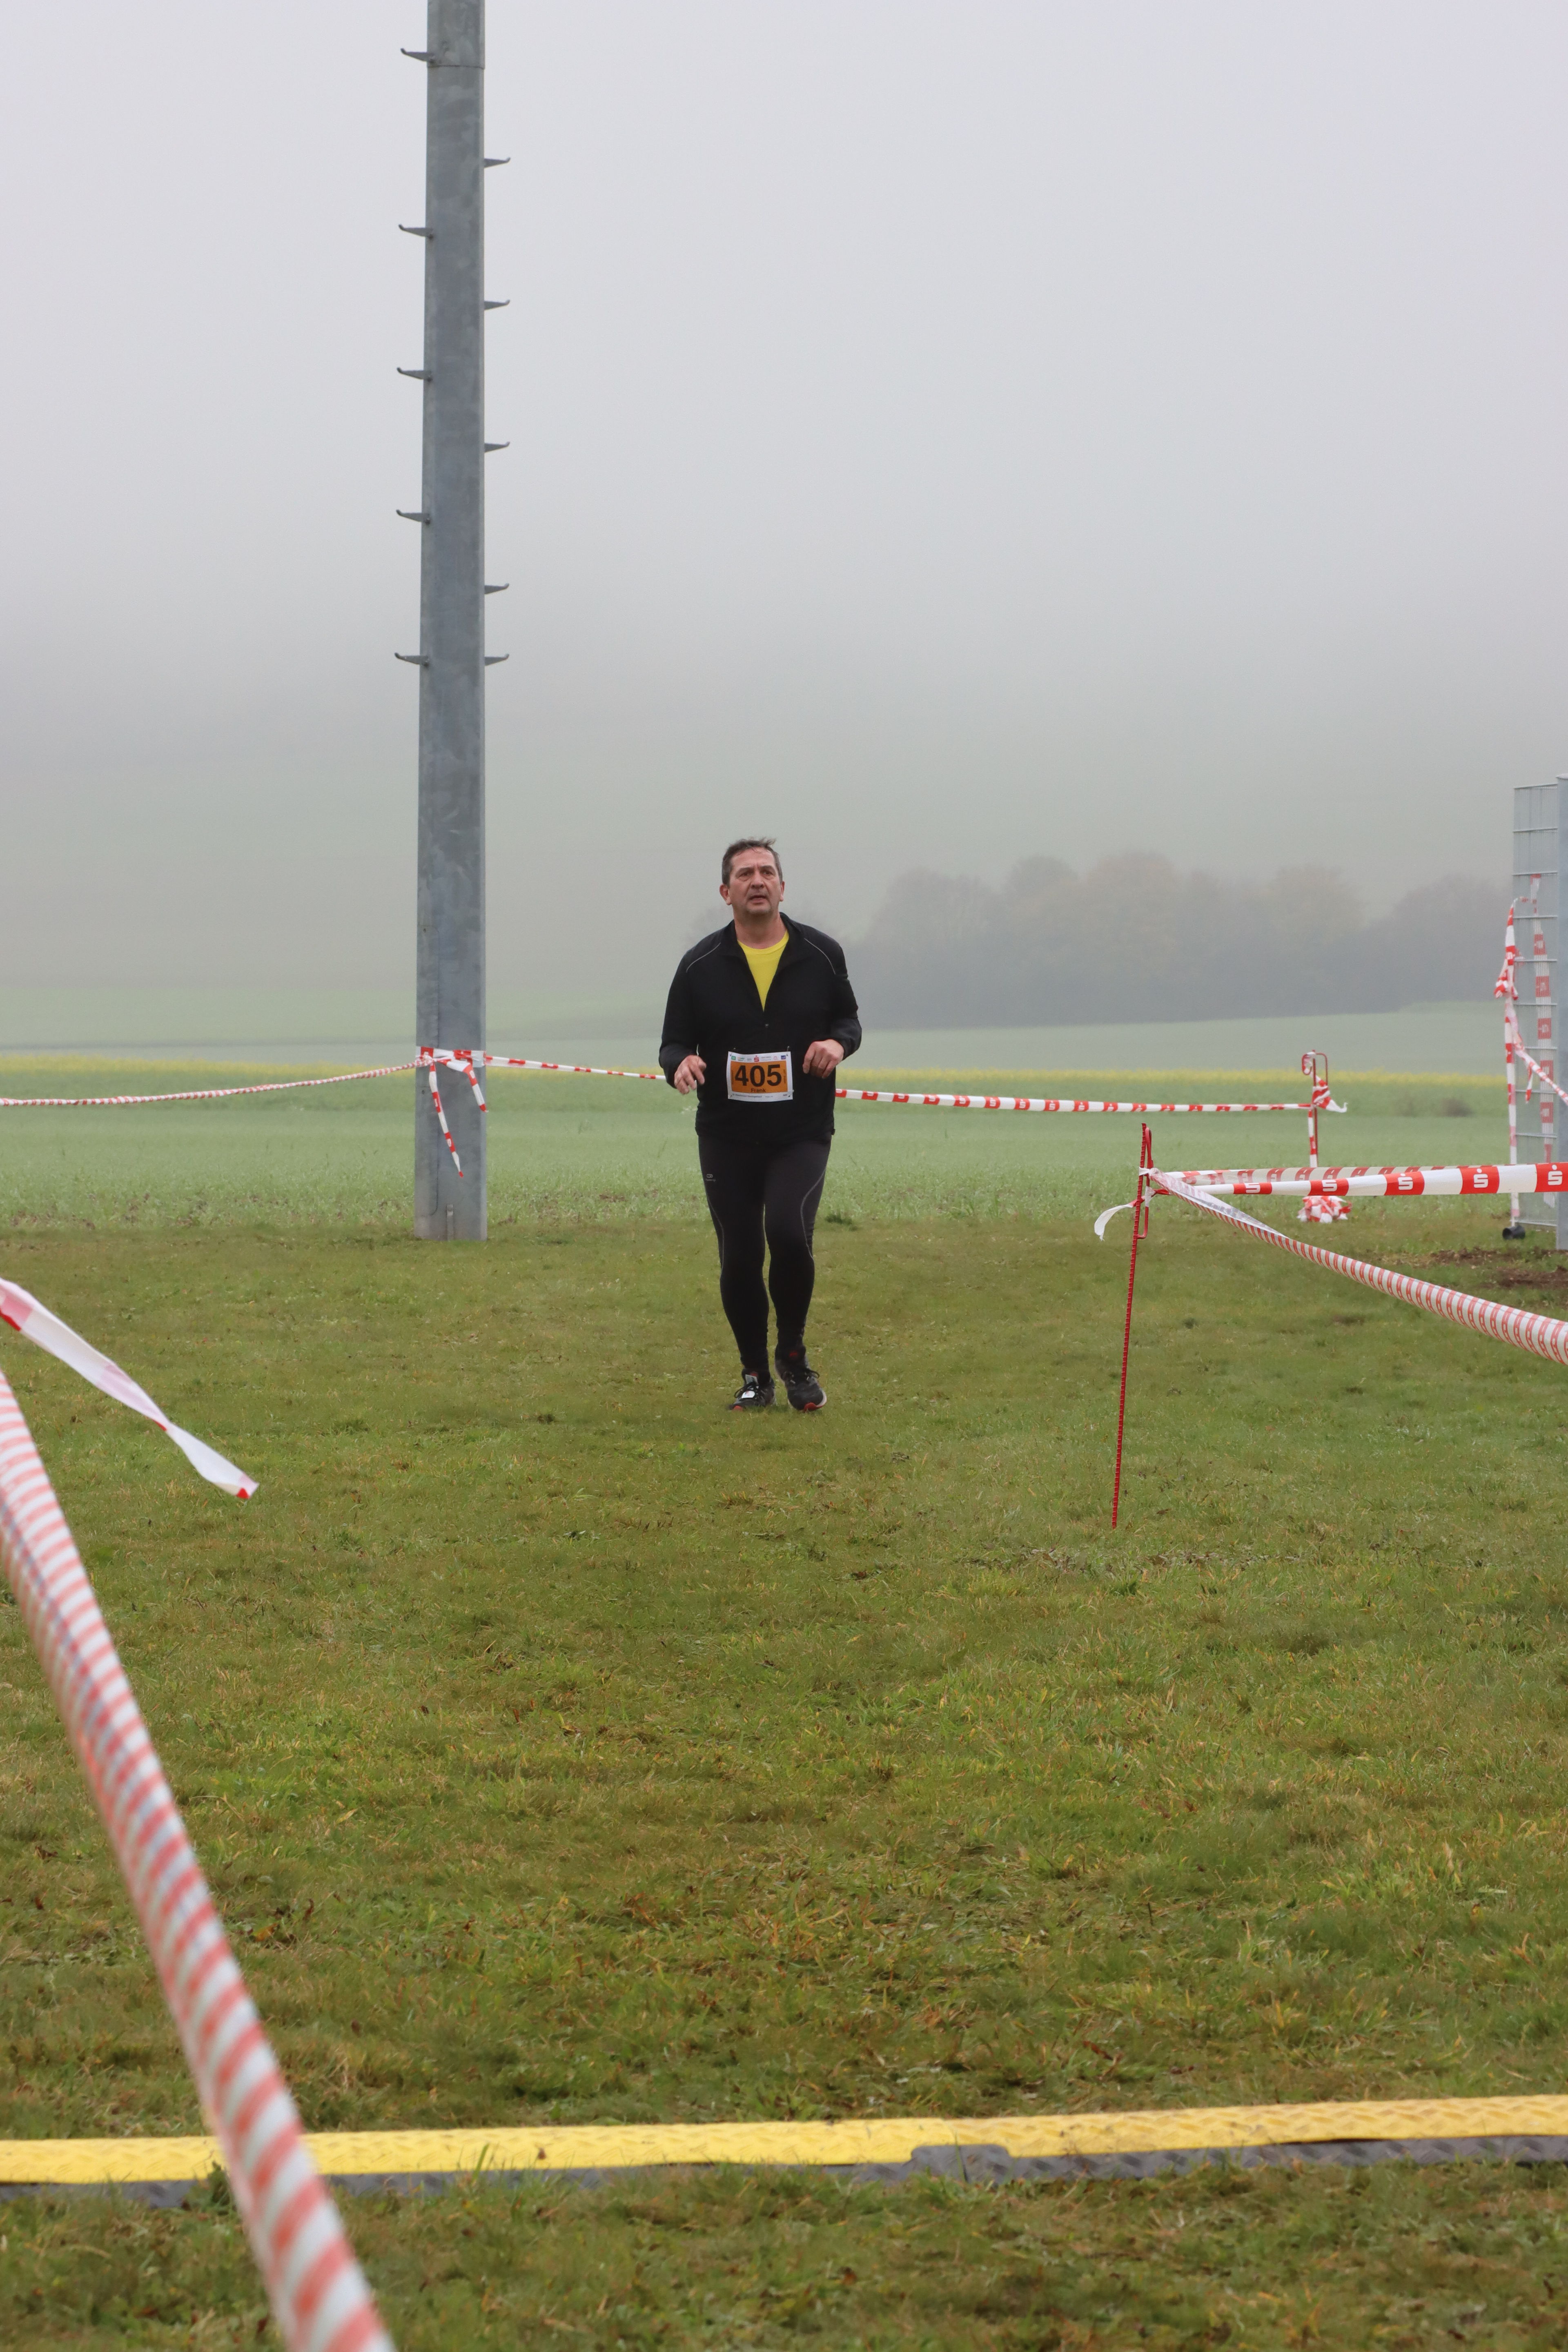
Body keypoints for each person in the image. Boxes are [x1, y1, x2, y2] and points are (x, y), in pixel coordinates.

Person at [660, 838, 861, 1410]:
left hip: (801, 1131)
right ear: (726, 892)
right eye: (746, 873)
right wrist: (682, 1063)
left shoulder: (821, 954)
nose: (758, 881)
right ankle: (755, 1375)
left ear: (782, 887)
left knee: (791, 1236)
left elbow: (849, 1022)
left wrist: (837, 1045)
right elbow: (673, 1042)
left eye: (767, 872)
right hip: (728, 1136)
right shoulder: (699, 965)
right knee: (741, 1256)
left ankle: (792, 1357)